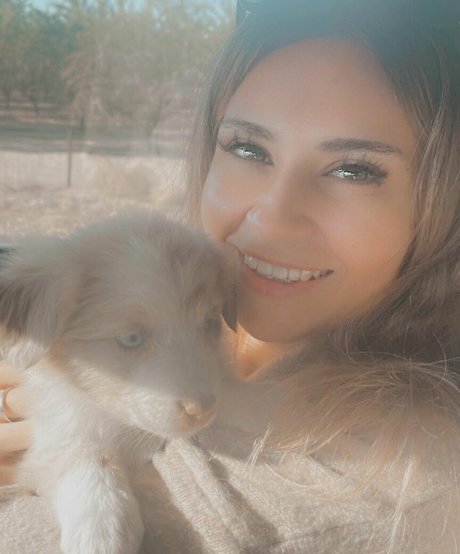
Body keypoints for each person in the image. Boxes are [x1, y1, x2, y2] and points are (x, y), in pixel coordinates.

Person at [0, 0, 459, 552]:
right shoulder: (205, 295)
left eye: (353, 169)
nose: (271, 217)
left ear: (441, 203)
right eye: (248, 147)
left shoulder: (384, 483)